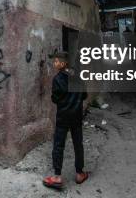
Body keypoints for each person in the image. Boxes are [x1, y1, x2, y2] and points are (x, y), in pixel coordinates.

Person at [43, 52, 89, 190]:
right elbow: (84, 95)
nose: (54, 63)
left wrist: (63, 100)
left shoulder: (57, 79)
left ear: (63, 64)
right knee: (78, 144)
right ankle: (80, 173)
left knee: (58, 145)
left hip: (63, 116)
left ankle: (57, 176)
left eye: (56, 61)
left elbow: (55, 99)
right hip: (76, 116)